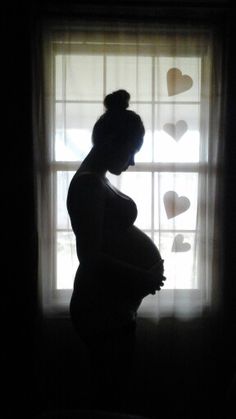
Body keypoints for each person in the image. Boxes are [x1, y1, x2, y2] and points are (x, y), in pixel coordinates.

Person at [67, 89, 166, 411]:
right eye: (131, 151)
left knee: (116, 386)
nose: (133, 161)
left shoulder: (98, 179)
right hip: (99, 308)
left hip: (113, 305)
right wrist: (141, 277)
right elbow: (90, 257)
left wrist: (142, 277)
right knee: (109, 394)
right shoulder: (87, 184)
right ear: (110, 142)